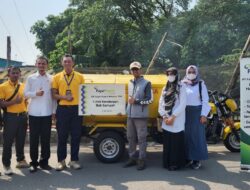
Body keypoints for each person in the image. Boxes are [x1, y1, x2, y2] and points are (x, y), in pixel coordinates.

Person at [52, 54, 84, 171]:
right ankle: (61, 161)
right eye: (65, 61)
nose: (67, 63)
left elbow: (84, 93)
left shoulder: (80, 76)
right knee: (62, 136)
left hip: (76, 109)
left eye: (69, 61)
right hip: (63, 109)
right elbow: (53, 95)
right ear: (62, 63)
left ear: (73, 63)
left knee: (76, 136)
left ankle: (74, 160)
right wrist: (65, 97)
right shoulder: (57, 77)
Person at [24, 56, 56, 173]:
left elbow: (53, 98)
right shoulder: (30, 78)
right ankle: (34, 163)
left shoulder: (52, 79)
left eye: (43, 64)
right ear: (36, 64)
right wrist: (35, 93)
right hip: (33, 113)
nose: (41, 66)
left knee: (46, 139)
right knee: (33, 140)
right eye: (39, 63)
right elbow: (25, 94)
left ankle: (44, 162)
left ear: (47, 65)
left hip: (47, 113)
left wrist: (53, 111)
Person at [123, 61, 153, 170]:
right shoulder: (130, 82)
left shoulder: (146, 83)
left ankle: (141, 159)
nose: (135, 71)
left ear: (141, 70)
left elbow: (149, 100)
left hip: (141, 116)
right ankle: (132, 158)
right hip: (130, 115)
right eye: (133, 69)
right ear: (131, 71)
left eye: (137, 69)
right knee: (130, 137)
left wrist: (136, 101)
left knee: (141, 138)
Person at [0, 66, 29, 175]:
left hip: (22, 117)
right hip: (10, 117)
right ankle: (6, 165)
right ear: (9, 74)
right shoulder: (2, 87)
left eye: (17, 73)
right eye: (13, 73)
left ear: (20, 74)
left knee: (21, 140)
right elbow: (1, 103)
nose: (15, 75)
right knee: (8, 142)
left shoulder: (23, 86)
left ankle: (20, 160)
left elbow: (25, 101)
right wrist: (14, 102)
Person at [182, 65, 211, 169]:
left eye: (193, 71)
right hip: (185, 113)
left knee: (196, 137)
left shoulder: (200, 84)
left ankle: (196, 160)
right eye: (189, 71)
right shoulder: (183, 84)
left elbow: (205, 100)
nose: (191, 73)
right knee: (186, 136)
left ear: (197, 72)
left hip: (197, 113)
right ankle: (188, 158)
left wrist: (203, 114)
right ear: (186, 72)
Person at [158, 67, 187, 171]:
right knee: (167, 143)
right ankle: (167, 163)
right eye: (169, 74)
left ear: (176, 75)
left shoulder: (181, 87)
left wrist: (173, 117)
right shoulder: (165, 87)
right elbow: (160, 103)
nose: (170, 76)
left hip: (177, 119)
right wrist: (165, 116)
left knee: (176, 143)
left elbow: (183, 104)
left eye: (172, 74)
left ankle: (175, 164)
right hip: (166, 119)